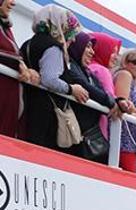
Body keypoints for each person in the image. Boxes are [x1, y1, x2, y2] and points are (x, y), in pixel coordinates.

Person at [20, 5, 86, 151]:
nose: (73, 39)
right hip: (46, 114)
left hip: (29, 105)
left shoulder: (28, 44)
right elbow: (49, 79)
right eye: (68, 31)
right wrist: (71, 89)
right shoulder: (53, 47)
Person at [62, 31, 116, 163]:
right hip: (72, 138)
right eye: (87, 46)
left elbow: (101, 91)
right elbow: (85, 86)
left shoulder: (89, 73)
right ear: (77, 46)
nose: (92, 52)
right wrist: (111, 102)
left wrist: (117, 101)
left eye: (92, 47)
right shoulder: (70, 65)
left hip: (87, 138)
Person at [0, 0, 39, 138]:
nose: (13, 3)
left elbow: (14, 55)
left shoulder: (5, 28)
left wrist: (27, 68)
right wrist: (18, 64)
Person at [87, 32, 120, 138]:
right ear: (102, 49)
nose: (116, 57)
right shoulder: (102, 70)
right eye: (112, 52)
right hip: (97, 131)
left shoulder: (86, 66)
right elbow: (111, 99)